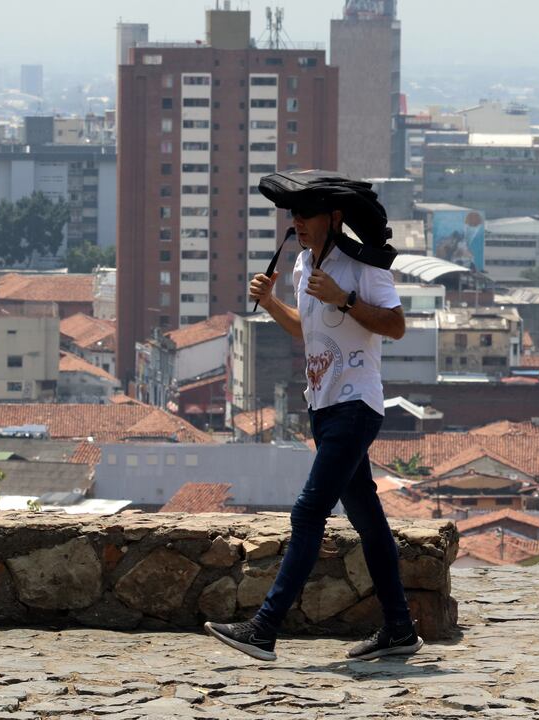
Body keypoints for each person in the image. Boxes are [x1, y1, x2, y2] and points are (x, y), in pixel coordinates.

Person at [204, 196, 422, 663]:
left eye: (307, 215)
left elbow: (397, 326)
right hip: (322, 405)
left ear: (335, 218)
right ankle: (400, 627)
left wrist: (343, 298)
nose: (298, 223)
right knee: (366, 517)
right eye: (293, 216)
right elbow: (306, 331)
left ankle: (263, 628)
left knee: (307, 513)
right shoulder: (304, 264)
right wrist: (269, 303)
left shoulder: (364, 264)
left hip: (355, 404)